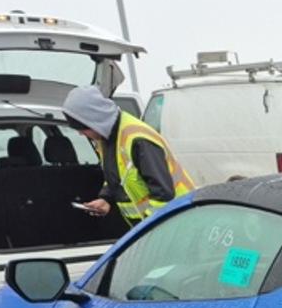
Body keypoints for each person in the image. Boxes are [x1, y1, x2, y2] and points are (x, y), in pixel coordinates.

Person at [61, 85, 195, 226]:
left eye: (83, 128)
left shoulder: (137, 138)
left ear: (93, 120)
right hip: (155, 224)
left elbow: (163, 194)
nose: (81, 134)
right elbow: (118, 175)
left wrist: (149, 228)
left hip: (177, 220)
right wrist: (106, 199)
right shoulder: (106, 137)